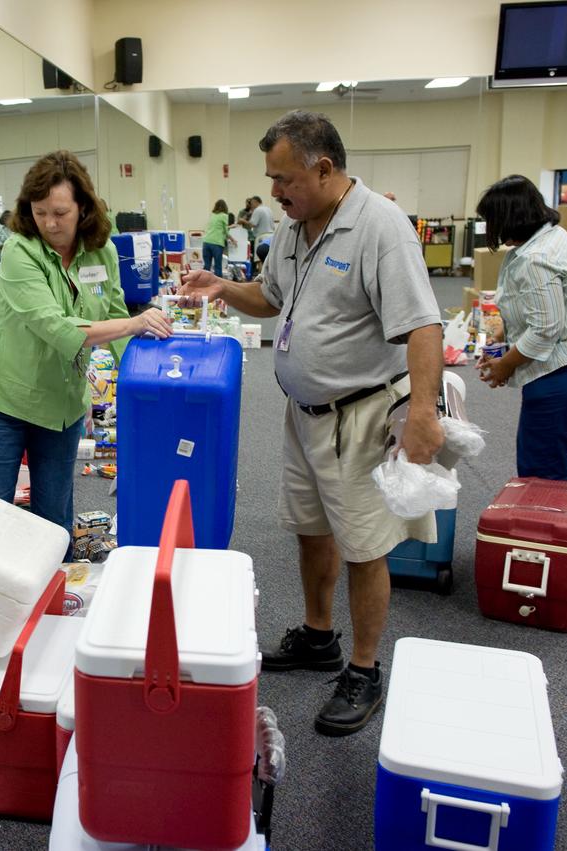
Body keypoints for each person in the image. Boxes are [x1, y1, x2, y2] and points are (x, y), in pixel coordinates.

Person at [179, 111, 444, 736]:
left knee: (364, 546)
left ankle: (363, 667)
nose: (273, 192)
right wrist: (221, 285)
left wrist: (424, 414)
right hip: (303, 415)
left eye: (283, 178)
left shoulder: (381, 228)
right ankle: (320, 635)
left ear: (324, 169)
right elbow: (273, 299)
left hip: (360, 415)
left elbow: (424, 325)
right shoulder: (298, 228)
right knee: (312, 529)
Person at [0, 151, 172, 532]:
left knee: (54, 523)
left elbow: (113, 312)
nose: (49, 222)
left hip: (61, 408)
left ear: (83, 209)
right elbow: (58, 329)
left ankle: (52, 593)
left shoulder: (103, 252)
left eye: (60, 213)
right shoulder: (19, 252)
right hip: (3, 401)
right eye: (40, 211)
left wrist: (145, 387)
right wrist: (132, 324)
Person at [473, 175, 567, 480]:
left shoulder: (536, 258)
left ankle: (547, 522)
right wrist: (501, 341)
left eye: (493, 221)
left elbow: (545, 330)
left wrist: (505, 366)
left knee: (541, 466)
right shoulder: (549, 237)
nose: (491, 230)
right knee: (544, 453)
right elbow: (537, 312)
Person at [202, 199, 231, 276]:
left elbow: (216, 227)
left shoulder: (212, 215)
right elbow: (226, 231)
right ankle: (218, 286)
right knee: (217, 266)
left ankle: (204, 285)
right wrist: (233, 240)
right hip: (217, 244)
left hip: (206, 242)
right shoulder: (224, 216)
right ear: (225, 207)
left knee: (206, 266)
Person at [247, 195, 275, 264]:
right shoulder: (269, 209)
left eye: (252, 203)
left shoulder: (257, 210)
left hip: (262, 236)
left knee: (259, 260)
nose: (251, 206)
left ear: (256, 202)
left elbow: (253, 224)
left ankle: (262, 274)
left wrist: (242, 221)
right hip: (271, 237)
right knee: (269, 259)